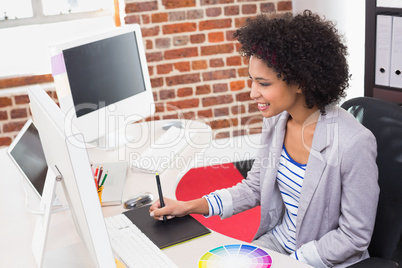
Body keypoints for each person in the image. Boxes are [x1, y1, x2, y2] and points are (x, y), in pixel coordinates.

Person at [149, 10, 379, 268]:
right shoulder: (277, 121)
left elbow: (353, 236)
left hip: (320, 260)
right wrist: (187, 206)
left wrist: (292, 262)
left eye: (263, 83)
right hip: (278, 246)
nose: (252, 93)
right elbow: (254, 187)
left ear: (301, 82)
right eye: (252, 80)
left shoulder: (354, 143)